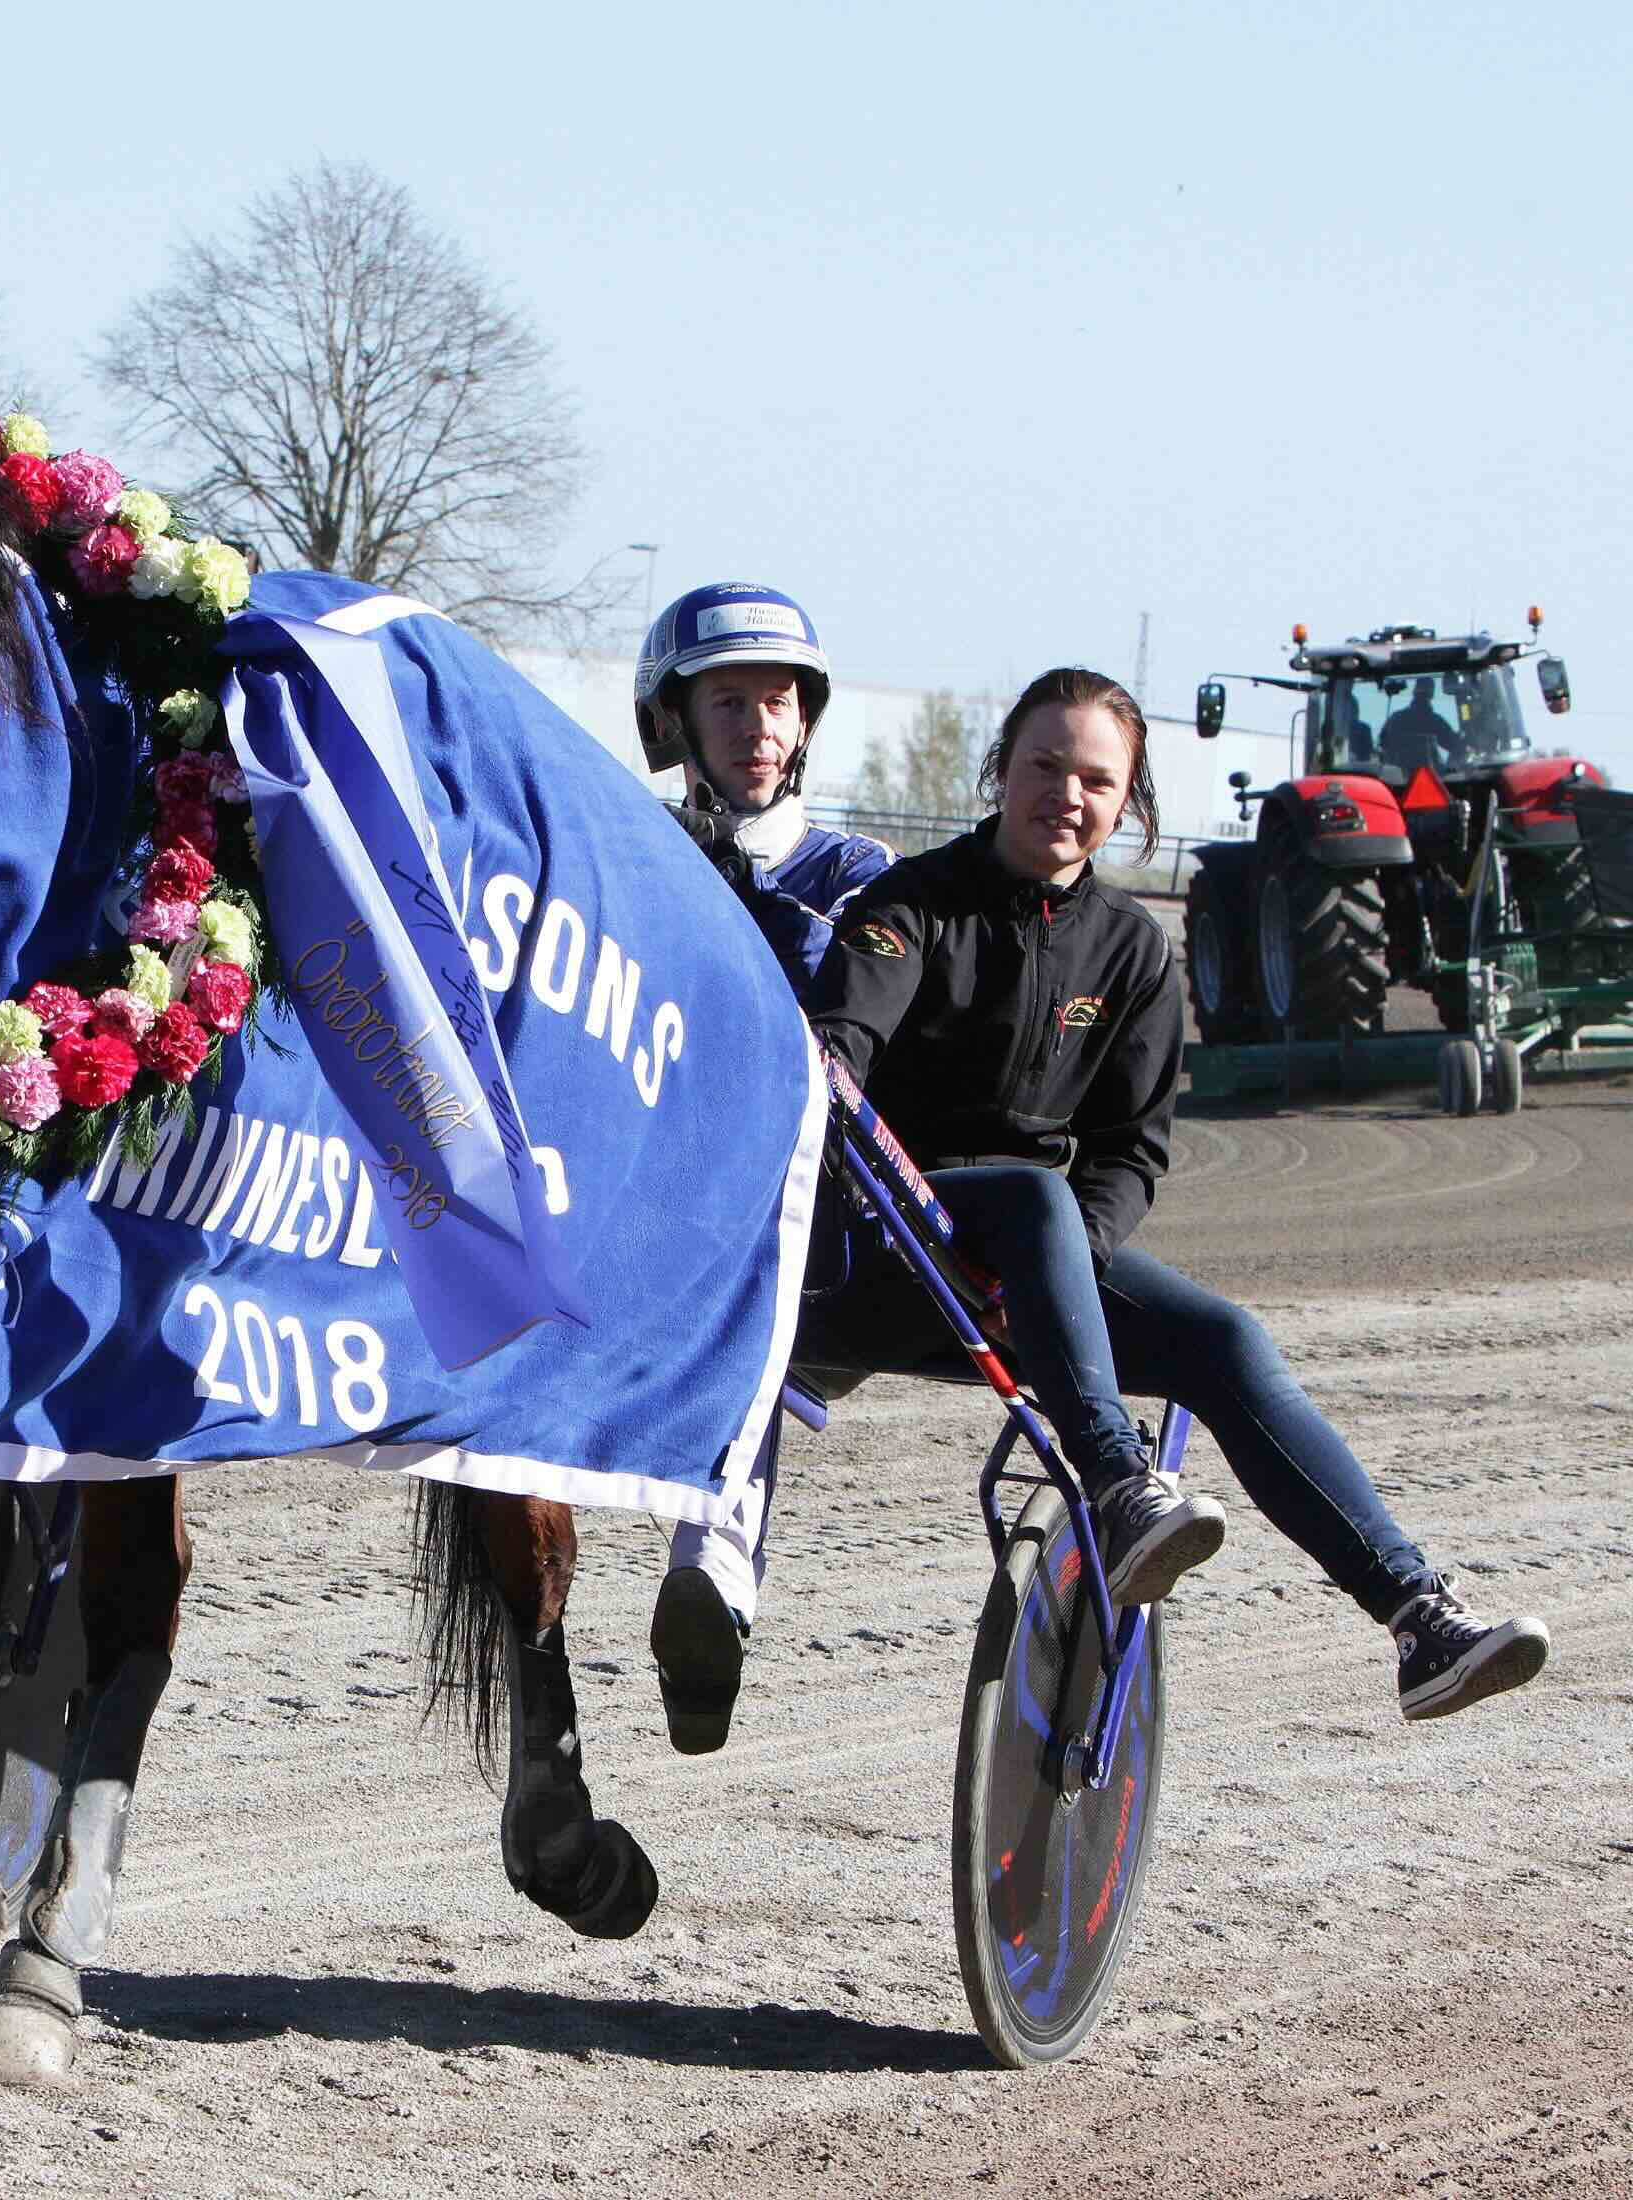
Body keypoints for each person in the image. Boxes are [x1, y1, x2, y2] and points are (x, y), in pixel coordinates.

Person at [794, 666, 1549, 1726]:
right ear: (999, 770)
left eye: (1096, 779)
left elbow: (1128, 1156)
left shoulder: (1136, 953)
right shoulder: (907, 908)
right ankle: (1115, 1483)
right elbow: (839, 1056)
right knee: (1031, 1201)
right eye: (1044, 766)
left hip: (1029, 1267)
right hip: (882, 1259)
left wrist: (1058, 1266)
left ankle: (1417, 1616)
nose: (1067, 793)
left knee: (1224, 1339)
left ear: (1129, 802)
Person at [628, 585, 894, 1750]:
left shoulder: (854, 870)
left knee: (756, 1273)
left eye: (776, 703)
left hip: (802, 1204)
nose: (755, 726)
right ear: (675, 724)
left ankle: (715, 1581)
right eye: (727, 700)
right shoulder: (624, 857)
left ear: (804, 726)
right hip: (640, 1182)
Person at [1379, 676, 1461, 778]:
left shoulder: (1395, 718)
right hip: (1430, 779)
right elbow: (1456, 746)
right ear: (1431, 694)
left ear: (1414, 691)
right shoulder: (1435, 721)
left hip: (1398, 780)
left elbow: (1382, 745)